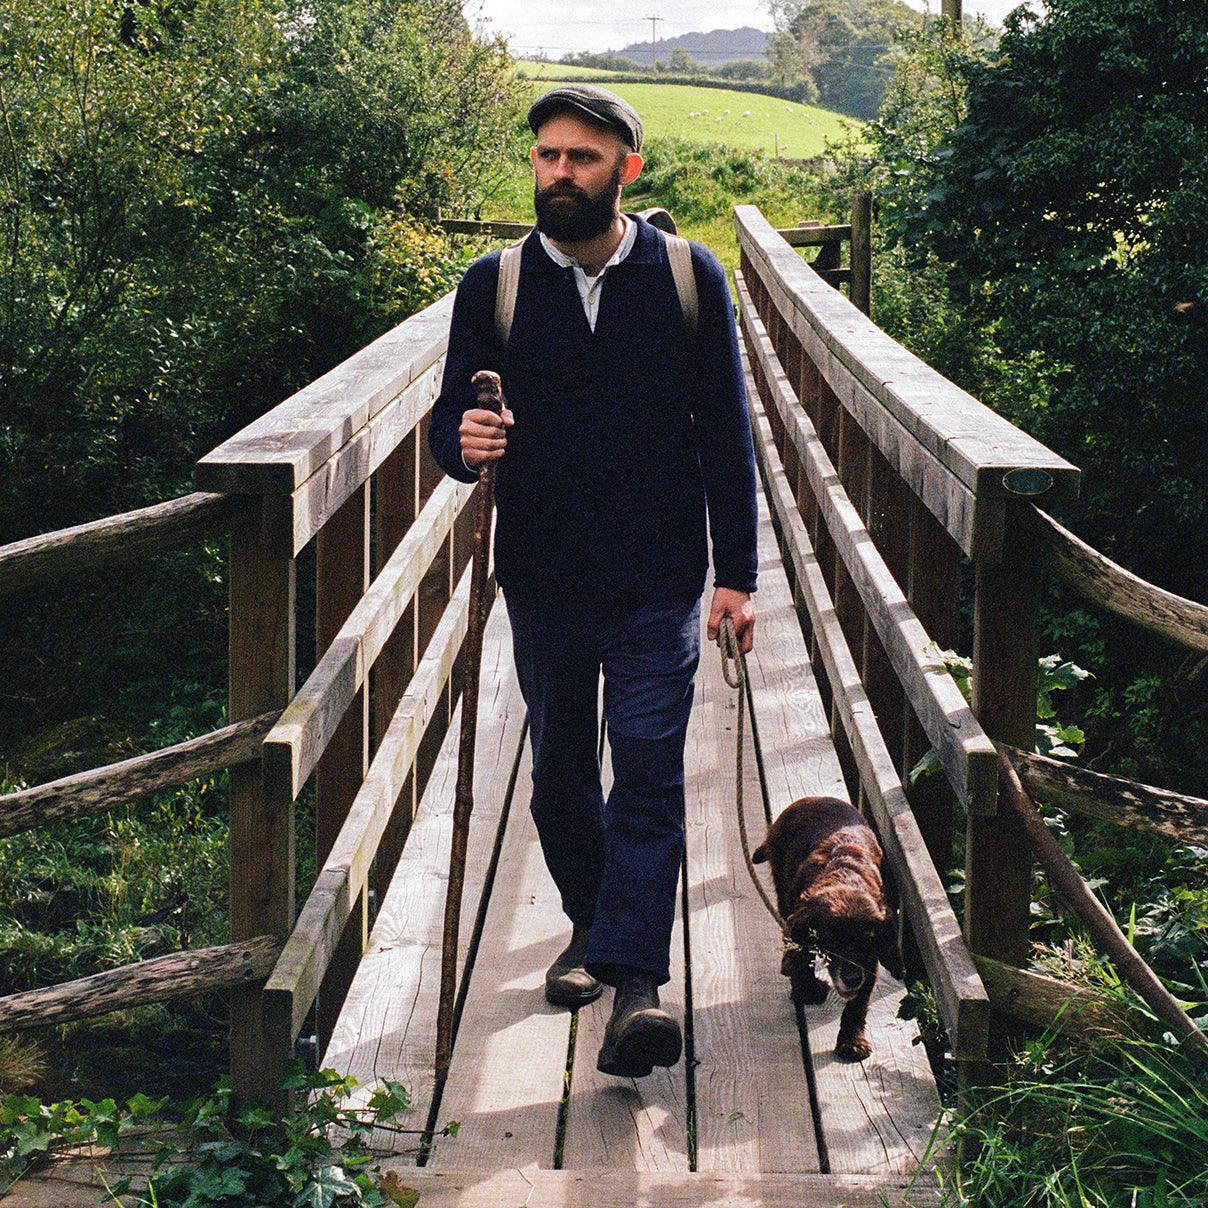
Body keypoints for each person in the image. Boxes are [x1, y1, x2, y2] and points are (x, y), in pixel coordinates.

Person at [428, 85, 758, 1078]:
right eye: (545, 156)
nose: (558, 173)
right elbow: (450, 424)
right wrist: (464, 440)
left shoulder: (691, 281)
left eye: (580, 157)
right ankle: (588, 923)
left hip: (658, 576)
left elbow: (728, 442)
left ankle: (634, 986)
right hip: (542, 576)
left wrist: (734, 579)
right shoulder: (493, 288)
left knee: (648, 778)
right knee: (561, 777)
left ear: (626, 168)